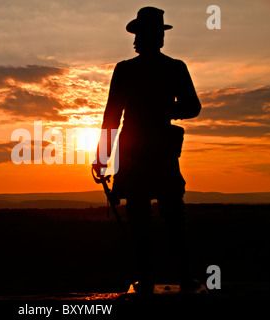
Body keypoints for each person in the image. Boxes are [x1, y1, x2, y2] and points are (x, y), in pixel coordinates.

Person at [93, 7, 202, 294]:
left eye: (140, 35)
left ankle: (157, 279)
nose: (135, 41)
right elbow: (191, 107)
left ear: (152, 38)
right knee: (163, 216)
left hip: (142, 151)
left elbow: (112, 117)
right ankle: (162, 278)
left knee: (163, 216)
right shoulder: (173, 68)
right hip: (153, 150)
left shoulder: (130, 69)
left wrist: (103, 158)